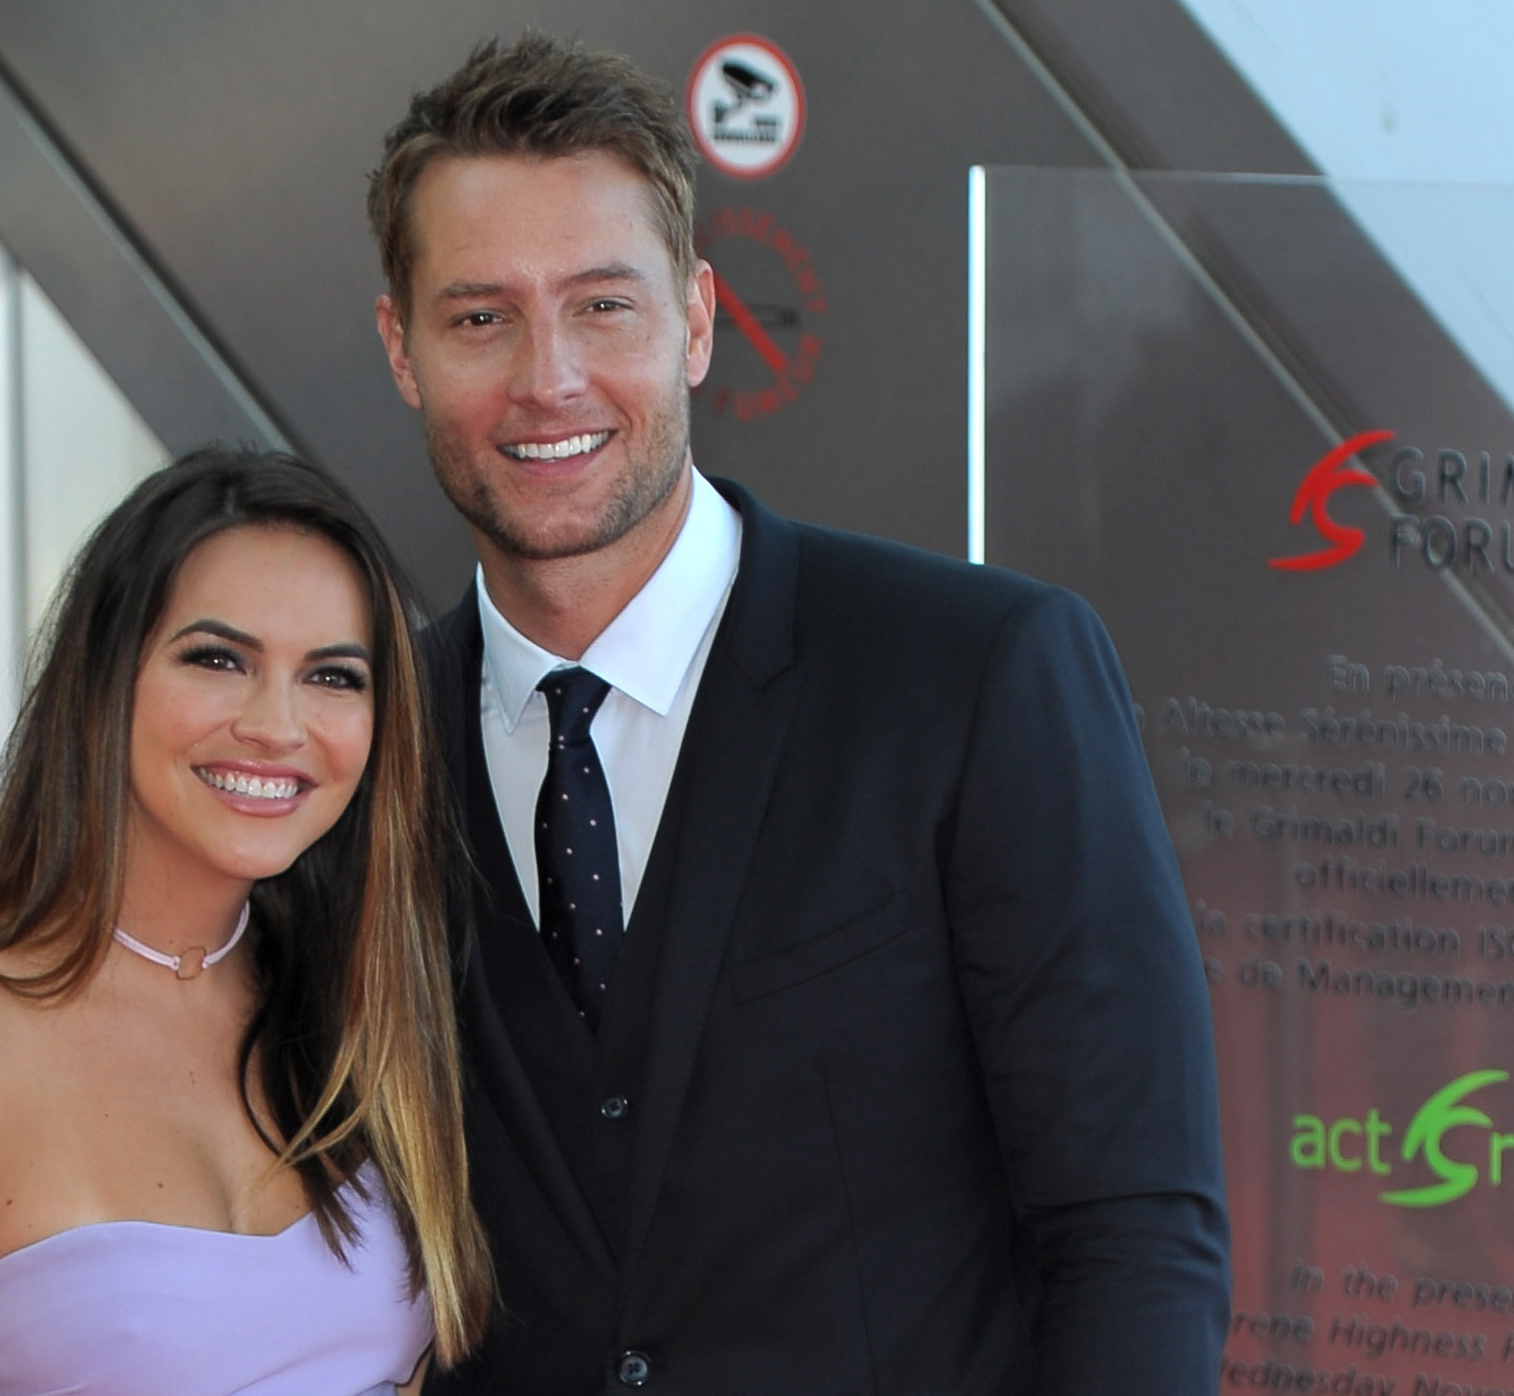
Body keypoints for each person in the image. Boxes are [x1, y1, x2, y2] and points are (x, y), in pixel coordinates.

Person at [366, 35, 1231, 1393]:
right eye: (480, 317)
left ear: (699, 320)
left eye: (604, 306)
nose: (548, 379)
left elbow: (1132, 1231)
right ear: (400, 348)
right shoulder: (368, 747)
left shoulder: (976, 675)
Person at [0, 448, 490, 1394]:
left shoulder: (370, 1010)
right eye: (217, 659)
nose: (276, 726)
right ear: (104, 678)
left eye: (332, 676)